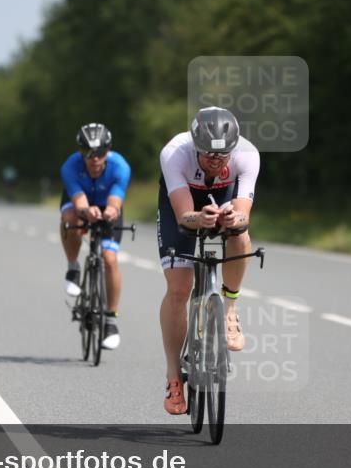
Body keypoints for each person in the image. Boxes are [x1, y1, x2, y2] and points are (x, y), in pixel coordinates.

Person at [156, 107, 260, 414]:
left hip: (224, 198)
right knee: (179, 288)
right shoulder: (175, 153)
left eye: (222, 155)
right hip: (184, 205)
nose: (215, 160)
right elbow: (183, 216)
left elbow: (243, 213)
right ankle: (174, 377)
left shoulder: (247, 154)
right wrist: (198, 218)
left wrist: (232, 217)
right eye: (208, 154)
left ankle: (230, 308)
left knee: (240, 234)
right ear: (195, 145)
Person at [60, 123, 131, 350]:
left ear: (108, 150)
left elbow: (116, 200)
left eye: (100, 153)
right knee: (72, 220)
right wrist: (86, 212)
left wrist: (111, 211)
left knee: (109, 259)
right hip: (80, 203)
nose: (95, 159)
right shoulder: (70, 166)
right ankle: (73, 267)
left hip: (107, 204)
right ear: (80, 152)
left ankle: (110, 319)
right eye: (88, 153)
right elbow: (79, 202)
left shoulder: (120, 166)